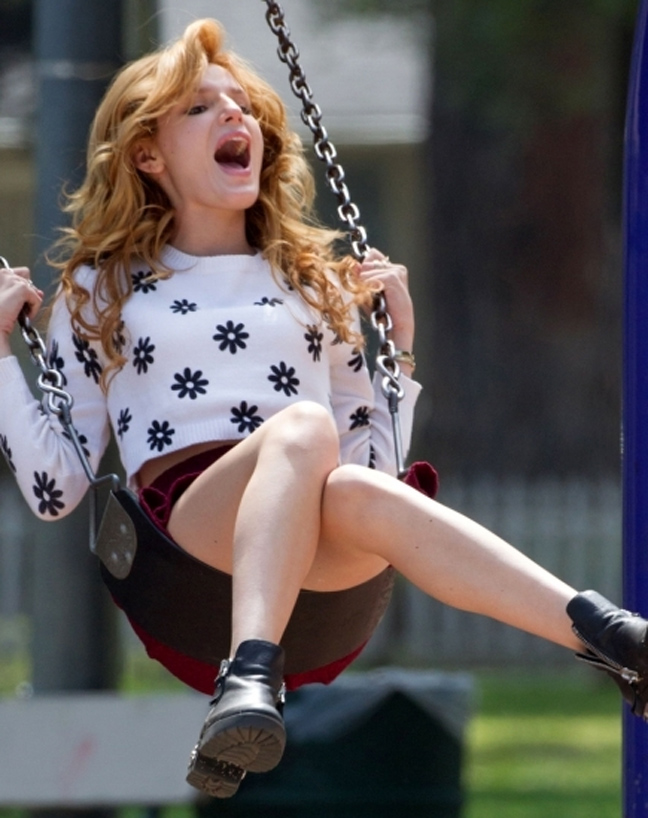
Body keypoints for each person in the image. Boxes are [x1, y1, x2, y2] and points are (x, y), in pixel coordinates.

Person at [0, 17, 646, 799]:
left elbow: (377, 469)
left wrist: (399, 355)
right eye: (200, 108)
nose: (234, 115)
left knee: (351, 484)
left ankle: (610, 639)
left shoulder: (313, 282)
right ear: (148, 154)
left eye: (243, 106)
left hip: (322, 572)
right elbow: (56, 489)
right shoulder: (100, 287)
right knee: (303, 430)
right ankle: (247, 675)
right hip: (191, 559)